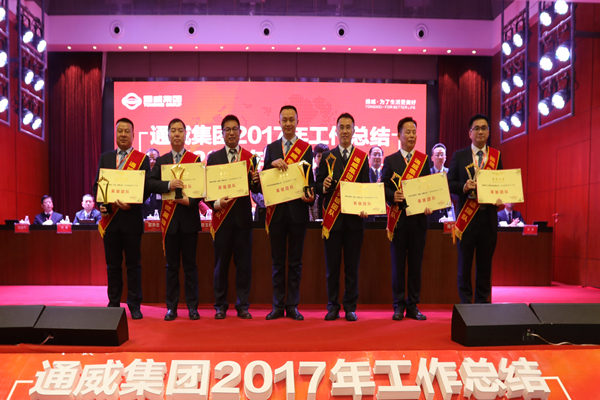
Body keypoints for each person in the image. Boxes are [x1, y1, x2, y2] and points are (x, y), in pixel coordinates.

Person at [315, 113, 369, 321]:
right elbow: (317, 186)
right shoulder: (327, 157)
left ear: (354, 130)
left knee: (352, 268)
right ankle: (332, 306)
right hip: (333, 221)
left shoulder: (361, 158)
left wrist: (366, 206)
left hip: (355, 221)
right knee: (332, 268)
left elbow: (366, 188)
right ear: (336, 130)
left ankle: (350, 307)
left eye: (348, 127)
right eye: (341, 127)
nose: (345, 131)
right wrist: (323, 186)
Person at [93, 117, 150, 320]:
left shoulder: (142, 159)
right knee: (113, 266)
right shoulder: (106, 158)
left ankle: (135, 305)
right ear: (115, 134)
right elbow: (98, 185)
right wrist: (101, 204)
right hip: (111, 222)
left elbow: (146, 190)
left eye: (127, 131)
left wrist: (131, 204)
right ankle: (114, 303)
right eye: (120, 131)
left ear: (133, 135)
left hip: (131, 220)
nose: (123, 134)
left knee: (134, 265)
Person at [262, 105, 314, 321]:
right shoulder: (271, 148)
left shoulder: (306, 148)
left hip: (297, 213)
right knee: (277, 262)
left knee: (295, 263)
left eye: (292, 119)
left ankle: (292, 306)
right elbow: (263, 179)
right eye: (285, 120)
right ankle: (277, 306)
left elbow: (309, 180)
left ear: (298, 122)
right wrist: (271, 164)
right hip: (276, 213)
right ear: (279, 122)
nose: (288, 123)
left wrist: (311, 197)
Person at [147, 118, 202, 321]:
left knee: (190, 266)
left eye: (180, 130)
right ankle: (171, 308)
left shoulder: (194, 159)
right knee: (171, 267)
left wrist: (190, 201)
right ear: (168, 135)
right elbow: (150, 183)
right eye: (173, 131)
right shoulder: (162, 161)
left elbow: (202, 189)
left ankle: (193, 308)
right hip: (169, 222)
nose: (177, 134)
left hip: (189, 220)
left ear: (186, 134)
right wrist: (168, 185)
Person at [206, 114, 260, 319]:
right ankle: (220, 305)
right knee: (221, 265)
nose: (231, 133)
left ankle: (242, 305)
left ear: (240, 132)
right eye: (227, 129)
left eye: (234, 129)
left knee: (244, 266)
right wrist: (216, 204)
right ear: (222, 133)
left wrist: (256, 181)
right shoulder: (214, 158)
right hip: (222, 219)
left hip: (243, 220)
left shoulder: (249, 157)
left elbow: (255, 189)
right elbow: (208, 189)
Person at [448, 114, 503, 304]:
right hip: (467, 220)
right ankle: (465, 305)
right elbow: (450, 183)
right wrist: (463, 187)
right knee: (464, 266)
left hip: (488, 219)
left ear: (489, 132)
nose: (480, 132)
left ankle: (482, 304)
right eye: (476, 128)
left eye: (484, 128)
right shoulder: (459, 155)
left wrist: (501, 197)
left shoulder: (496, 156)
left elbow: (502, 183)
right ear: (470, 133)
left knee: (485, 266)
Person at [381, 117, 431, 321]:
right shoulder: (390, 160)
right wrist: (392, 195)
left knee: (416, 266)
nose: (411, 135)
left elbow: (429, 188)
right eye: (407, 132)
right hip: (399, 222)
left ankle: (413, 306)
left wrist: (430, 204)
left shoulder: (423, 160)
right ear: (399, 135)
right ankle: (398, 306)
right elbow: (383, 187)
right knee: (398, 266)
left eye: (414, 132)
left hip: (418, 221)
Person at [427, 143, 456, 223]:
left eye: (442, 155)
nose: (440, 157)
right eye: (437, 155)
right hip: (431, 213)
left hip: (448, 212)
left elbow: (455, 196)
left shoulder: (450, 173)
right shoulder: (427, 174)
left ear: (445, 158)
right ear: (432, 158)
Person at [309, 143, 329, 221]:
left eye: (324, 156)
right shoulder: (310, 175)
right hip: (313, 213)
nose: (322, 159)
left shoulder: (330, 176)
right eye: (319, 156)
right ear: (314, 158)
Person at [142, 148, 162, 218]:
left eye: (154, 159)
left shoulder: (163, 176)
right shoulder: (141, 176)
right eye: (149, 159)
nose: (152, 161)